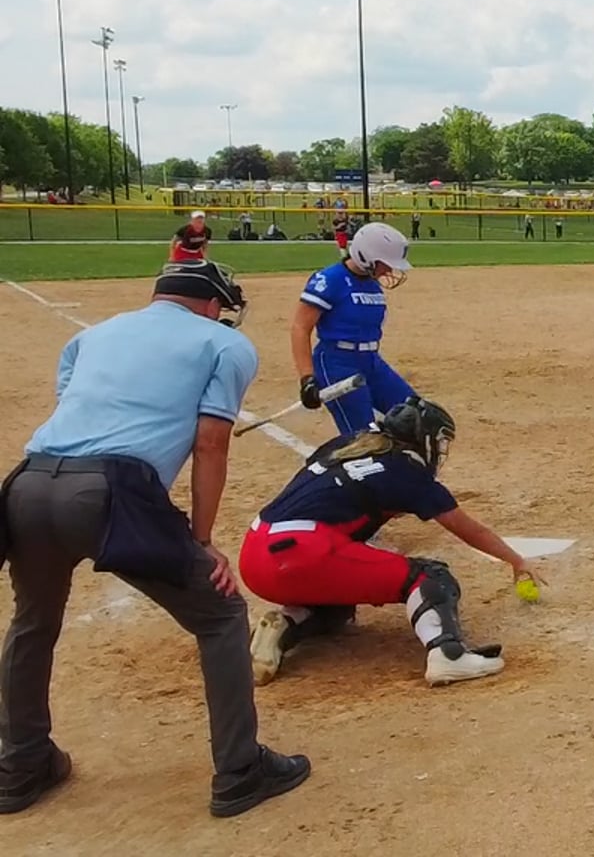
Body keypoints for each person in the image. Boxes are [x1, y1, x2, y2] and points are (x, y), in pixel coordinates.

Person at [0, 262, 310, 818]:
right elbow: (211, 444)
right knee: (220, 614)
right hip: (110, 491)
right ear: (212, 304)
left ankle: (20, 765)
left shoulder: (93, 334)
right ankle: (240, 770)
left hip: (28, 483)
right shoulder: (223, 344)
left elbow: (79, 410)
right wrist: (202, 539)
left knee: (33, 622)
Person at [242, 398, 541, 687]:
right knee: (431, 577)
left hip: (255, 554)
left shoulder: (346, 444)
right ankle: (447, 654)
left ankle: (286, 623)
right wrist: (515, 559)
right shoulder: (406, 472)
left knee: (339, 605)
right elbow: (468, 529)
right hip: (302, 553)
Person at [291, 221, 419, 437]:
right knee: (363, 437)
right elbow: (300, 328)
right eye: (385, 263)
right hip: (337, 365)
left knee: (416, 417)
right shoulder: (330, 280)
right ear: (366, 256)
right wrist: (307, 378)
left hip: (371, 361)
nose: (389, 270)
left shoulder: (371, 283)